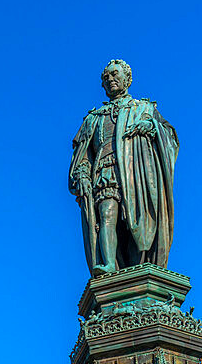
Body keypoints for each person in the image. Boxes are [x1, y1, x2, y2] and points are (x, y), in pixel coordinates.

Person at [69, 59, 179, 276]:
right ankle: (109, 265)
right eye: (106, 77)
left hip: (136, 175)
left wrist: (152, 127)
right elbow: (82, 155)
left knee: (134, 223)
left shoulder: (144, 108)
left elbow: (171, 138)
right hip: (105, 171)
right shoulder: (93, 118)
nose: (110, 79)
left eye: (114, 74)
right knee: (107, 213)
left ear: (128, 78)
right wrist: (82, 174)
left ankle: (140, 265)